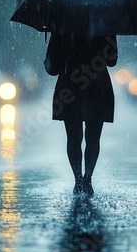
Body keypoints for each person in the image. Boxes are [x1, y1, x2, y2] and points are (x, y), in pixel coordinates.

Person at [44, 33, 118, 195]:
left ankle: (78, 180)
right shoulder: (105, 22)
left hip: (69, 85)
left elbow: (52, 68)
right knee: (93, 138)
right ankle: (88, 179)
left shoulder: (62, 24)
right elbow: (112, 61)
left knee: (73, 137)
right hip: (98, 85)